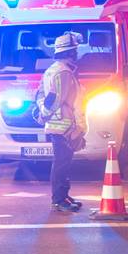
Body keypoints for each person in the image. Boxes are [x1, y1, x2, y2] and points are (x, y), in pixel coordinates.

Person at [38, 32, 87, 213]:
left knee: (63, 163)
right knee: (61, 164)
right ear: (70, 52)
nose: (77, 54)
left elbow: (42, 94)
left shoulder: (53, 70)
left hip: (59, 125)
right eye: (75, 51)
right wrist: (44, 114)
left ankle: (63, 196)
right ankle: (59, 200)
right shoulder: (63, 72)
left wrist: (42, 112)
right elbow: (56, 99)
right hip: (62, 126)